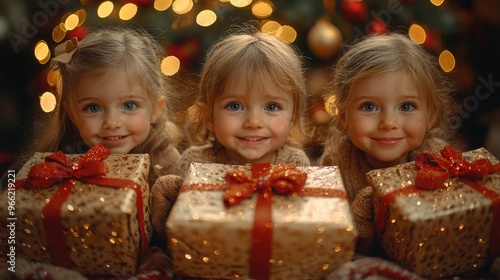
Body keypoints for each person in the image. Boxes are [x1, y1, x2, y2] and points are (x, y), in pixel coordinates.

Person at [151, 26, 312, 245]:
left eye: (272, 107)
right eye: (234, 105)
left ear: (293, 117)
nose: (254, 122)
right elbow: (178, 227)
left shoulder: (294, 164)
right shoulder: (194, 163)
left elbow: (304, 225)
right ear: (208, 117)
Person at [319, 32, 459, 254]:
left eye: (406, 107)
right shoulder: (335, 167)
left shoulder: (441, 160)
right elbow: (330, 239)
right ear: (343, 115)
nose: (388, 123)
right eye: (369, 107)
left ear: (431, 115)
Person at [27, 26, 182, 185]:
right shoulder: (61, 162)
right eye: (93, 108)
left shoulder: (167, 161)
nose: (112, 123)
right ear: (72, 114)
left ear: (156, 109)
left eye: (129, 106)